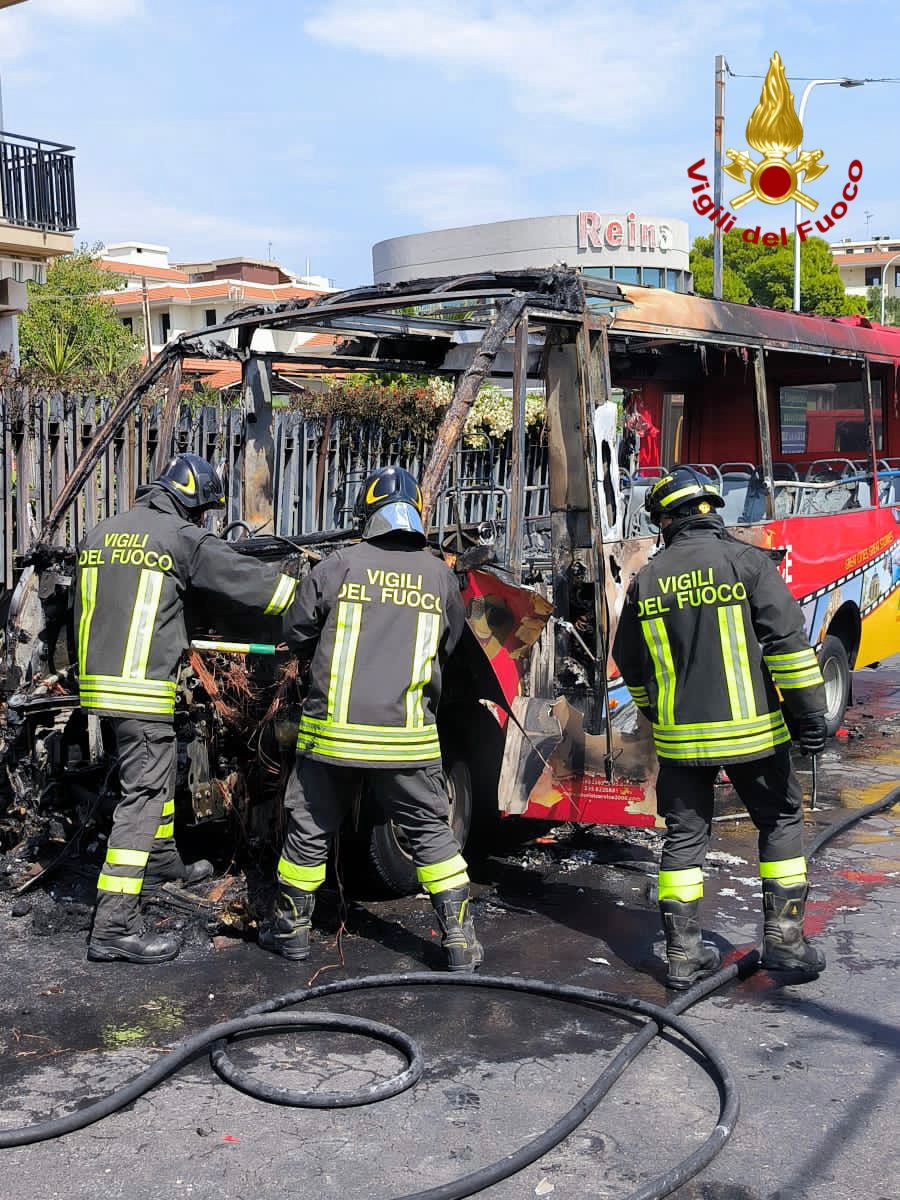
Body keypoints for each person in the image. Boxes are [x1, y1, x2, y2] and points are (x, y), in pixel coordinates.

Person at [75, 453, 299, 964]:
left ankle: (160, 863)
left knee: (153, 775)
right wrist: (309, 594)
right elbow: (252, 585)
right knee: (144, 794)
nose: (204, 521)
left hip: (100, 689)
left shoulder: (101, 532)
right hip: (140, 688)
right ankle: (114, 924)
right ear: (195, 505)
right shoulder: (181, 538)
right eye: (204, 513)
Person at [612, 467, 828, 990]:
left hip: (682, 741)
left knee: (685, 839)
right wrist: (810, 717)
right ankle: (784, 941)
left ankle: (682, 956)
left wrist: (655, 717)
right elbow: (789, 647)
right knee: (779, 821)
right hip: (756, 735)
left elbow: (631, 665)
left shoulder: (648, 580)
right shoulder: (748, 563)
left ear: (666, 521)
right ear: (712, 511)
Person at [260, 465, 481, 972]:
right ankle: (459, 942)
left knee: (310, 828)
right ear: (415, 515)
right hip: (407, 739)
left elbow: (296, 632)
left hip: (332, 737)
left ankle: (290, 932)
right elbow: (449, 648)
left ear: (369, 515)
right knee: (430, 831)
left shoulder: (337, 566)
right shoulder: (441, 578)